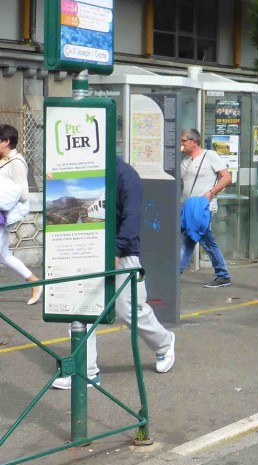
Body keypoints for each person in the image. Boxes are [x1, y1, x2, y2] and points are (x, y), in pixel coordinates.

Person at [52, 160, 176, 389]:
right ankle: (85, 371)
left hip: (122, 253)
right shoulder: (82, 167)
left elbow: (133, 218)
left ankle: (164, 343)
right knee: (79, 307)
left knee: (129, 309)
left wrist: (116, 250)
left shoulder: (125, 174)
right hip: (85, 250)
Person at [179, 128, 233, 288]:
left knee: (193, 241)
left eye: (183, 141)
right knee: (196, 241)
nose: (181, 144)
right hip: (189, 208)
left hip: (203, 208)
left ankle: (223, 275)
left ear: (193, 142)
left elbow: (227, 177)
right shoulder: (185, 162)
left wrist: (211, 193)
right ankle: (222, 275)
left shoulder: (210, 156)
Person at [0, 124, 41, 304]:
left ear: (6, 142)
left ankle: (35, 282)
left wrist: (5, 190)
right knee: (4, 255)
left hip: (3, 213)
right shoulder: (2, 160)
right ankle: (34, 282)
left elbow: (24, 193)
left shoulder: (16, 163)